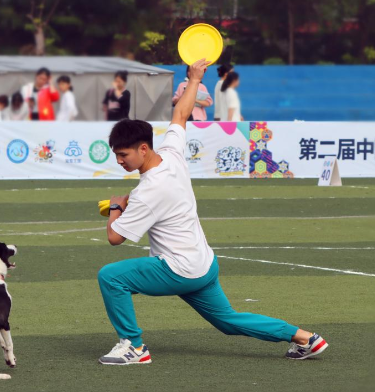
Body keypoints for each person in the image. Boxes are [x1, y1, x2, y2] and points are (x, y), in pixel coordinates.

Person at [96, 58, 328, 366]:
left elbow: (115, 237)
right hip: (203, 264)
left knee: (111, 277)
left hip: (177, 269)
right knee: (228, 321)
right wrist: (194, 79)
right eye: (116, 156)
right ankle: (306, 338)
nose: (120, 161)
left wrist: (115, 206)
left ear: (143, 149)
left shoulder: (149, 191)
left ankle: (135, 348)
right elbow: (181, 113)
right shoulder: (171, 153)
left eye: (123, 155)